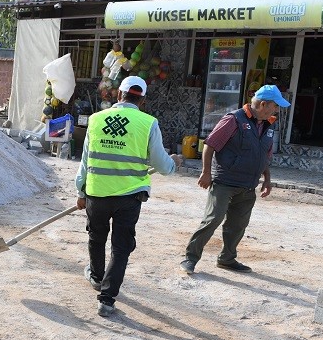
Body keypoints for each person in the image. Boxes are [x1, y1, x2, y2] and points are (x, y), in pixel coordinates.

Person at [76, 75, 182, 317]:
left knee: (96, 237)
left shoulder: (95, 120)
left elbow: (85, 162)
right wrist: (173, 163)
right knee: (121, 248)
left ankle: (96, 276)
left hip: (97, 192)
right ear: (142, 100)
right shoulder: (147, 123)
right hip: (129, 197)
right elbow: (162, 165)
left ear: (118, 94)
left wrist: (80, 191)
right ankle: (106, 299)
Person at [180, 84, 290, 275]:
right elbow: (210, 145)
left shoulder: (268, 126)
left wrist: (267, 179)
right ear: (263, 104)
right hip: (225, 181)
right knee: (213, 219)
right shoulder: (233, 120)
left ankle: (227, 259)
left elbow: (264, 155)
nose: (277, 110)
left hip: (248, 185)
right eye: (275, 106)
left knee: (238, 225)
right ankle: (190, 258)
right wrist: (206, 173)